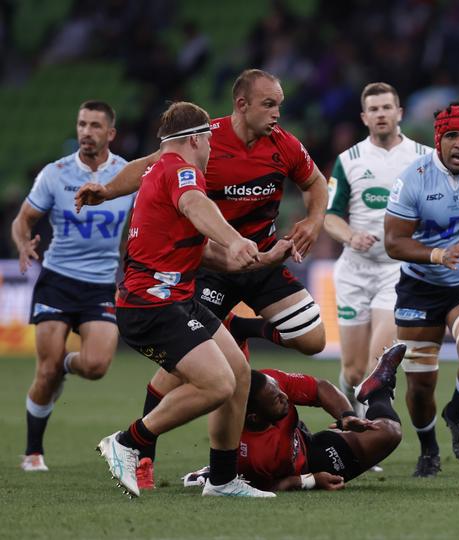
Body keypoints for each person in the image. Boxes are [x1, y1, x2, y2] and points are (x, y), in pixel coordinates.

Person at [75, 69, 328, 489]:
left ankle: (224, 480)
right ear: (202, 135)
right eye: (269, 104)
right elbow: (194, 204)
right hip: (161, 298)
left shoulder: (277, 146)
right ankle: (133, 446)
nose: (277, 113)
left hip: (213, 274)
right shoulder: (181, 168)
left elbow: (205, 238)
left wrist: (266, 252)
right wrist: (234, 241)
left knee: (246, 372)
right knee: (215, 381)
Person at [10, 101, 132, 472]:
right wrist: (23, 243)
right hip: (58, 281)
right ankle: (33, 452)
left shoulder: (127, 175)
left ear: (110, 133)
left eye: (95, 125)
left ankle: (65, 363)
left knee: (96, 366)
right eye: (81, 124)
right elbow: (23, 220)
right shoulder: (56, 173)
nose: (85, 132)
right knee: (44, 373)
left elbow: (139, 223)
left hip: (99, 285)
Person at [384, 102, 459, 477]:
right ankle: (429, 449)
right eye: (453, 136)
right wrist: (435, 254)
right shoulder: (413, 177)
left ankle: (456, 407)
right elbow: (393, 242)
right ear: (439, 139)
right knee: (418, 384)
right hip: (421, 285)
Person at [324, 82, 430, 415]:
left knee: (375, 364)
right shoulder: (349, 160)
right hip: (355, 271)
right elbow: (330, 217)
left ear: (399, 113)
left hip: (396, 272)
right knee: (353, 371)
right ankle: (348, 415)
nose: (381, 114)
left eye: (387, 108)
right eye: (374, 109)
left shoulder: (423, 158)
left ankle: (365, 440)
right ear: (364, 117)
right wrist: (351, 236)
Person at [180, 344, 405, 491]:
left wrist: (345, 416)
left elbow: (320, 388)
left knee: (386, 431)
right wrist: (311, 480)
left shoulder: (269, 383)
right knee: (390, 434)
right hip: (303, 467)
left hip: (302, 443)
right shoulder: (250, 455)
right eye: (276, 399)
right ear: (255, 417)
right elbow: (268, 487)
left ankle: (377, 390)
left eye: (279, 390)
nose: (285, 396)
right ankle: (209, 473)